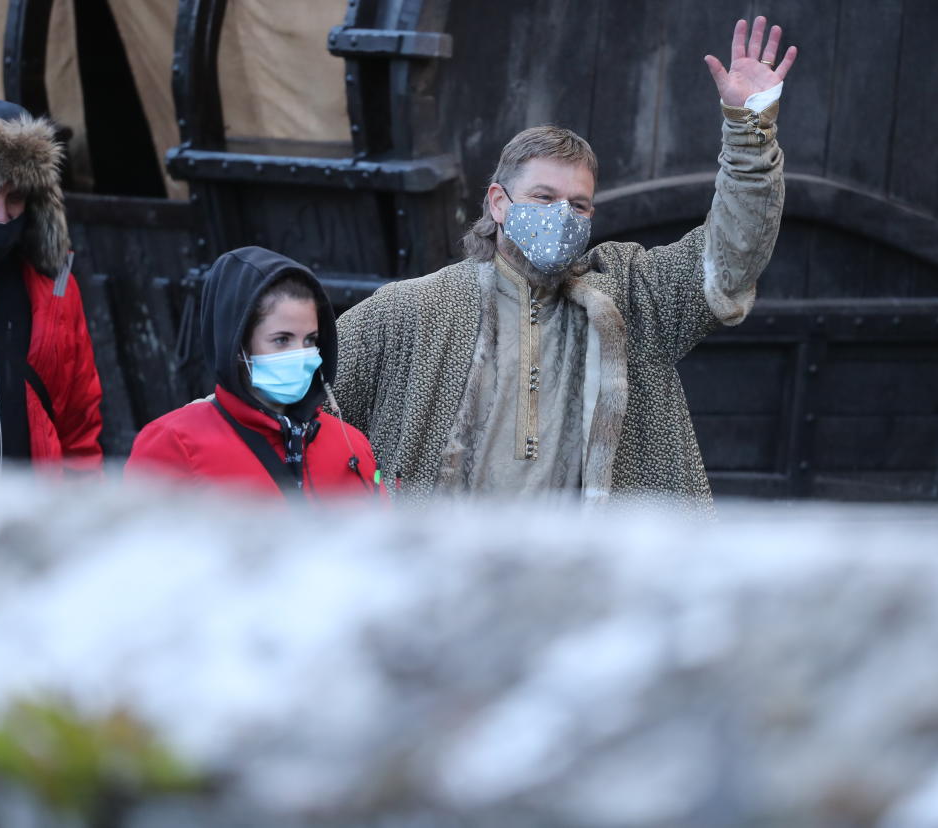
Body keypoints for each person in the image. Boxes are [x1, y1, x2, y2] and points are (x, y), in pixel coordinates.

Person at [333, 17, 795, 507]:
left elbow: (729, 256)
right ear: (498, 202)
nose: (561, 215)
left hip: (587, 576)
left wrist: (750, 132)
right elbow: (302, 413)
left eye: (577, 205)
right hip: (451, 574)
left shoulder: (632, 294)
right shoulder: (412, 311)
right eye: (543, 196)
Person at [126, 246, 379, 500]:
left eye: (310, 340)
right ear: (237, 346)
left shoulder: (350, 446)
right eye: (282, 340)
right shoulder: (174, 446)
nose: (301, 355)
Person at [0, 99, 102, 472]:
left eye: (15, 198)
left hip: (29, 522)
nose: (0, 215)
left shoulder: (55, 291)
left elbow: (78, 428)